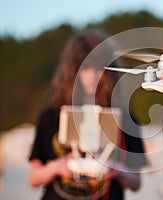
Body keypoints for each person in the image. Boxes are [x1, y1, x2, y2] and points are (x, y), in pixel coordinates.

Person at [28, 30, 147, 200]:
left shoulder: (125, 119)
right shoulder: (51, 116)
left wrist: (114, 169)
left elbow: (136, 182)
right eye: (85, 68)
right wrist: (58, 167)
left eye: (99, 68)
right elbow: (33, 177)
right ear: (72, 71)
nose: (92, 75)